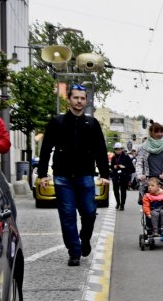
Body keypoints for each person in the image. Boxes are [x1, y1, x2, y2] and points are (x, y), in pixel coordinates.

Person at [36, 84, 111, 266]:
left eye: (82, 98)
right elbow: (46, 148)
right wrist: (43, 174)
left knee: (89, 213)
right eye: (75, 98)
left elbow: (101, 149)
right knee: (67, 215)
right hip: (62, 177)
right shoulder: (57, 122)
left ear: (86, 100)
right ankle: (74, 251)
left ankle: (84, 239)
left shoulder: (92, 123)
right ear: (68, 99)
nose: (79, 101)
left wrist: (104, 174)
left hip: (85, 175)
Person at [134, 123, 163, 206]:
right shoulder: (143, 147)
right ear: (151, 132)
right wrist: (140, 175)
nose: (159, 134)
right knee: (149, 209)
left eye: (161, 132)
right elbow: (139, 163)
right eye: (156, 132)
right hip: (149, 181)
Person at [110, 142, 135, 211]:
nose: (118, 151)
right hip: (115, 176)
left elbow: (132, 168)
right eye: (116, 149)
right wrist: (113, 167)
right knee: (115, 190)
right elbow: (111, 166)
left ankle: (122, 205)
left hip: (124, 176)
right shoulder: (113, 157)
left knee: (123, 191)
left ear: (122, 149)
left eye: (119, 149)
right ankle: (118, 202)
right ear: (114, 150)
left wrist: (124, 167)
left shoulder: (126, 157)